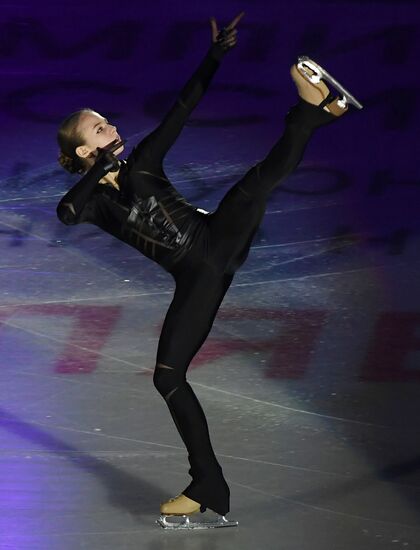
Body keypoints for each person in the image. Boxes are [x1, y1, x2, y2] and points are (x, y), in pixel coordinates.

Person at [56, 12, 361, 529]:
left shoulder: (146, 162)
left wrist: (215, 54)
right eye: (100, 127)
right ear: (84, 150)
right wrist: (103, 172)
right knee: (167, 377)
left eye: (109, 121)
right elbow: (66, 212)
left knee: (252, 187)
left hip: (215, 238)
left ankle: (314, 114)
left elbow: (183, 106)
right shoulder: (92, 203)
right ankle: (209, 485)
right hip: (199, 278)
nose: (113, 127)